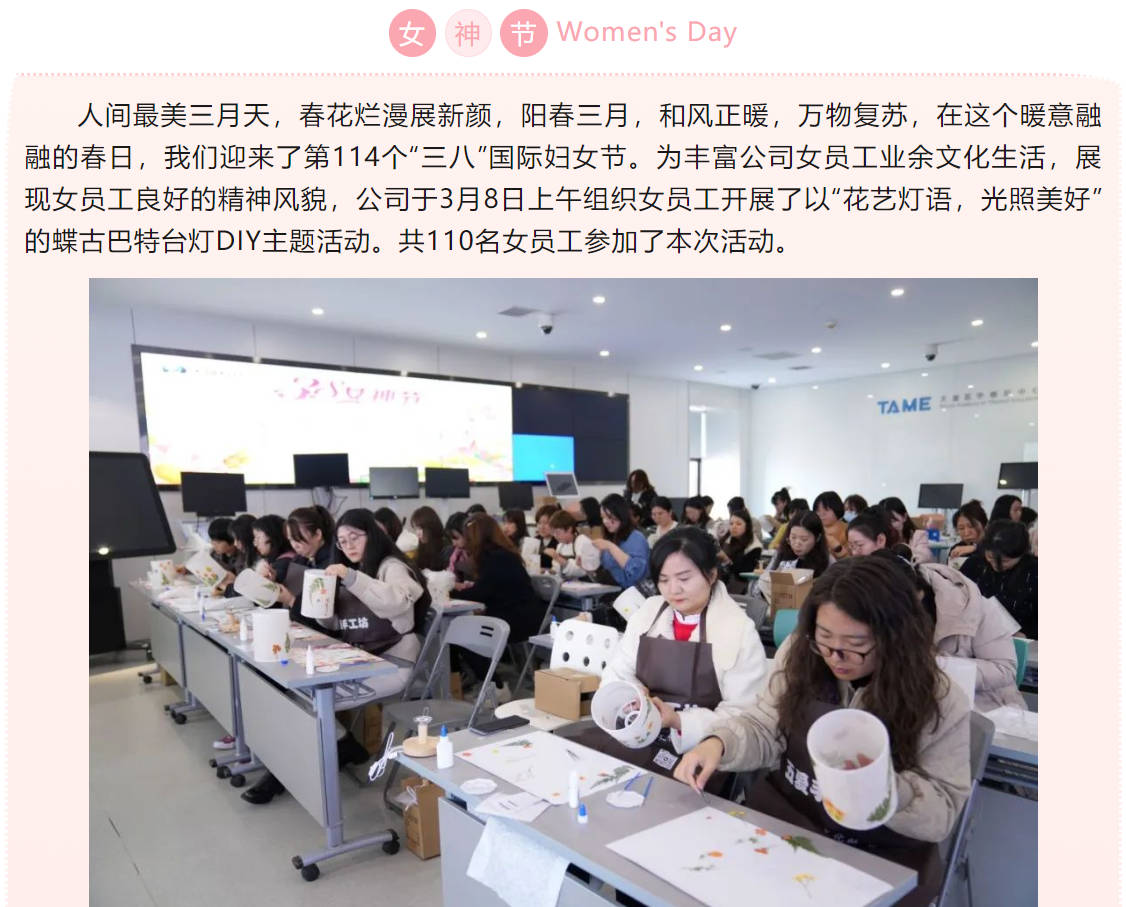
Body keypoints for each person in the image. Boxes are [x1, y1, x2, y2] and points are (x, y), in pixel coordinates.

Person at [675, 558, 972, 907]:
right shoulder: (801, 654)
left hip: (879, 854)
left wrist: (885, 790)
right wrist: (719, 743)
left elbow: (943, 810)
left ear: (895, 637)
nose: (835, 657)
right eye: (825, 638)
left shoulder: (939, 699)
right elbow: (764, 725)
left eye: (856, 644)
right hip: (790, 826)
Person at [247, 511, 430, 805]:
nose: (349, 546)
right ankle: (341, 744)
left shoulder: (391, 567)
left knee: (306, 701)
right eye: (343, 541)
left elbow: (396, 602)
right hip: (360, 659)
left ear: (372, 534)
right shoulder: (352, 566)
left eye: (355, 537)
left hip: (391, 665)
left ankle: (283, 774)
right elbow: (336, 623)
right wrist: (320, 601)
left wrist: (352, 578)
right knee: (296, 694)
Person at [573, 528, 768, 787]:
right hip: (640, 735)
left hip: (699, 751)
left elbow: (744, 715)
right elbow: (618, 671)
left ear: (711, 575)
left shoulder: (738, 630)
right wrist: (633, 695)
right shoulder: (649, 613)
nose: (673, 589)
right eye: (663, 580)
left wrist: (678, 720)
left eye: (684, 578)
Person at [872, 548, 1025, 711]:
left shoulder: (973, 606)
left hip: (984, 706)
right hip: (915, 704)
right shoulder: (877, 610)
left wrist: (934, 666)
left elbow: (1004, 669)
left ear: (916, 594)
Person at [454, 515, 542, 701]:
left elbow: (483, 592)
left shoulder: (493, 557)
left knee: (464, 637)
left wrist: (452, 593)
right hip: (518, 614)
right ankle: (491, 683)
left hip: (516, 620)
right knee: (465, 633)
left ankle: (497, 687)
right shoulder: (501, 554)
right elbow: (490, 588)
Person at [959, 520, 1037, 638]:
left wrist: (1028, 635)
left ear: (1021, 554)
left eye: (1006, 561)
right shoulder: (974, 564)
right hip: (975, 634)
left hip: (1022, 639)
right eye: (990, 557)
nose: (996, 565)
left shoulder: (1034, 572)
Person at [757, 510, 832, 606]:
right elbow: (760, 586)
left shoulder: (827, 561)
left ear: (817, 538)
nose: (797, 544)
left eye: (804, 539)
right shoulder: (781, 554)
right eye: (793, 537)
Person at [591, 493, 651, 590]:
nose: (605, 521)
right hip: (611, 591)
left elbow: (637, 573)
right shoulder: (610, 538)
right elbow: (604, 573)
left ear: (620, 515)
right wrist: (587, 567)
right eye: (603, 517)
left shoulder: (636, 538)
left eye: (609, 517)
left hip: (632, 594)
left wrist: (611, 547)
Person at [718, 508, 763, 595]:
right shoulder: (726, 539)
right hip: (721, 580)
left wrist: (726, 560)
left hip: (739, 585)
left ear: (747, 526)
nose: (734, 527)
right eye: (731, 524)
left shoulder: (754, 546)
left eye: (738, 524)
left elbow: (744, 572)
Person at [547, 510, 601, 578]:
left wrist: (558, 558)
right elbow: (556, 569)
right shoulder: (560, 546)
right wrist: (548, 572)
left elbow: (582, 571)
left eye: (558, 532)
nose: (555, 536)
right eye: (553, 533)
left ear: (569, 529)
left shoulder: (582, 541)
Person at [878, 496, 933, 563]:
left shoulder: (918, 535)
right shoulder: (879, 537)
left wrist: (903, 549)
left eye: (893, 521)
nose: (890, 526)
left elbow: (925, 556)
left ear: (904, 517)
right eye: (886, 522)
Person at [250, 514, 297, 583]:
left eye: (258, 537)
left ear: (272, 536)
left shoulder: (283, 564)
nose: (255, 543)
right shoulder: (280, 560)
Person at [409, 505, 447, 572]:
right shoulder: (423, 546)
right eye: (415, 529)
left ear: (430, 527)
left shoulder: (445, 548)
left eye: (419, 528)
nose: (417, 533)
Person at [813, 491, 849, 559]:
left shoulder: (849, 530)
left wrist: (835, 546)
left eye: (827, 509)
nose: (821, 514)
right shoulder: (813, 530)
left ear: (837, 508)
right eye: (818, 510)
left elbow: (852, 560)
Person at [532, 503, 561, 569]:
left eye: (546, 523)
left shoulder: (560, 541)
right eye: (539, 523)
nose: (542, 527)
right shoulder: (535, 540)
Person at [444, 512, 472, 581]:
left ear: (467, 533)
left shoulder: (481, 555)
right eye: (451, 539)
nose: (454, 543)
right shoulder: (454, 554)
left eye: (456, 538)